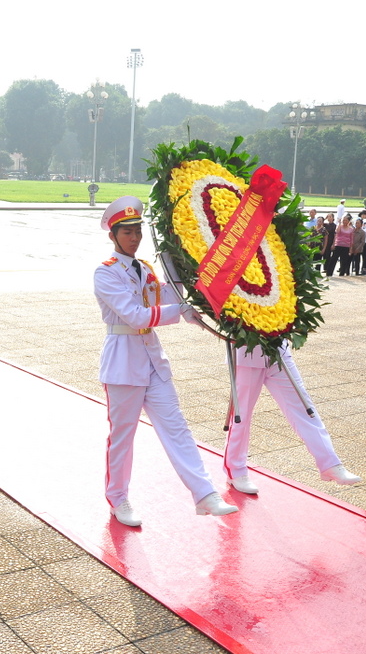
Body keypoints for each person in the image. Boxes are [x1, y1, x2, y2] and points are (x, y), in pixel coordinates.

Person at [94, 195, 237, 526]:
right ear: (113, 235)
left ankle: (205, 494)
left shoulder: (145, 268)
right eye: (127, 232)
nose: (134, 237)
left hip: (153, 362)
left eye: (137, 231)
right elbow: (134, 315)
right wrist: (179, 311)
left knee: (177, 429)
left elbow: (168, 296)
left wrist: (179, 265)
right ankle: (119, 498)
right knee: (122, 437)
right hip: (123, 364)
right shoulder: (105, 274)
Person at [224, 343, 361, 494]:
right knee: (240, 415)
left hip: (278, 352)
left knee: (303, 407)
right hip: (246, 354)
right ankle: (236, 471)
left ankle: (330, 464)